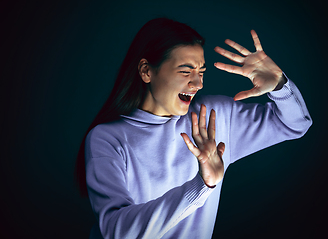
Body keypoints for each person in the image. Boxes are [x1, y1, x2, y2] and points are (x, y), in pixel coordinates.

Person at [75, 17, 312, 239]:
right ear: (146, 71)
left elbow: (295, 124)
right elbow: (118, 231)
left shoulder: (212, 117)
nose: (197, 83)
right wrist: (202, 185)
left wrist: (280, 86)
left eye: (201, 72)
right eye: (186, 71)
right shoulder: (106, 139)